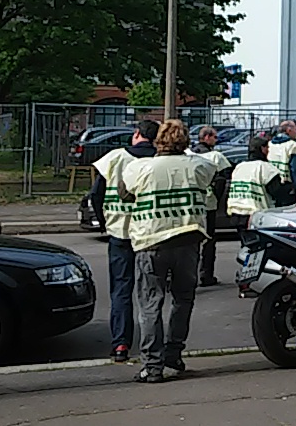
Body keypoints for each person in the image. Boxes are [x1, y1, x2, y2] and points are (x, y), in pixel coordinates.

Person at [120, 120, 215, 384]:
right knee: (183, 300)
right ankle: (174, 353)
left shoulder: (140, 168)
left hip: (151, 242)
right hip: (188, 240)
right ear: (185, 140)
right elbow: (214, 179)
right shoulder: (199, 165)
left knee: (150, 304)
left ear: (158, 140)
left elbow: (124, 194)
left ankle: (152, 365)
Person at [89, 118, 158, 363]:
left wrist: (104, 222)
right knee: (150, 292)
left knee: (121, 290)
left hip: (119, 232)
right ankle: (153, 345)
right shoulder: (159, 159)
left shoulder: (115, 157)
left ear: (137, 133)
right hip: (150, 234)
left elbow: (96, 194)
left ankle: (121, 344)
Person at [191, 125, 232, 286]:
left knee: (192, 242)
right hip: (209, 204)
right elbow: (223, 179)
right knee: (208, 241)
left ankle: (190, 275)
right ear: (207, 137)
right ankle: (206, 275)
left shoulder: (189, 154)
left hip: (193, 204)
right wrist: (216, 196)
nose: (216, 140)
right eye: (214, 137)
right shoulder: (216, 157)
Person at [226, 136, 286, 231]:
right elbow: (277, 192)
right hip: (256, 215)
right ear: (262, 149)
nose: (269, 151)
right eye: (267, 148)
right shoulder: (266, 168)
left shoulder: (239, 167)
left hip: (236, 212)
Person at [268, 120, 296, 200]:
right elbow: (294, 170)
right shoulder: (293, 146)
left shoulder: (270, 144)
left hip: (271, 182)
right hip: (287, 185)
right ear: (289, 130)